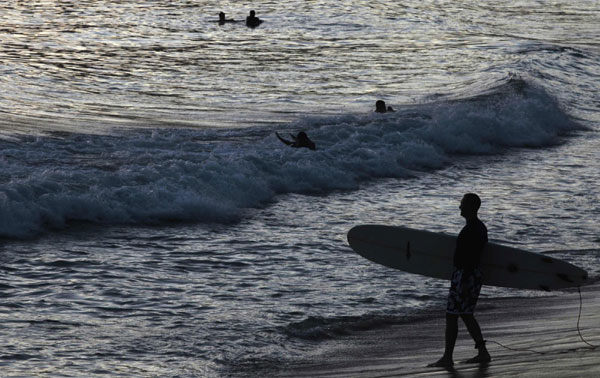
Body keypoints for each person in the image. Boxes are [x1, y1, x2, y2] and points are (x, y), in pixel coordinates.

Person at [428, 193, 491, 368]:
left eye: (462, 204)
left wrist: (463, 280)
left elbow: (470, 256)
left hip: (466, 276)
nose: (459, 207)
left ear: (470, 207)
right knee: (465, 314)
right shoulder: (477, 227)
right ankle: (482, 352)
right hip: (469, 275)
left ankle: (448, 357)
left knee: (452, 315)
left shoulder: (472, 229)